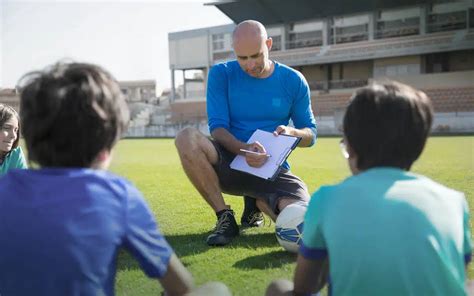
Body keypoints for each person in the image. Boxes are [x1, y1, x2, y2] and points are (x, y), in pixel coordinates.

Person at [0, 62, 230, 296]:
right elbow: (181, 287)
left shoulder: (4, 190)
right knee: (217, 290)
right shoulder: (118, 195)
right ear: (107, 143)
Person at [266, 81, 472, 295]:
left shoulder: (327, 199)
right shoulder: (454, 201)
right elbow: (458, 279)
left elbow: (305, 288)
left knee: (278, 288)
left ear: (351, 145)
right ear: (418, 146)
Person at [175, 20, 317, 246]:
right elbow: (218, 128)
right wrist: (244, 149)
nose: (250, 65)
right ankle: (225, 217)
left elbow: (311, 134)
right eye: (243, 58)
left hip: (271, 169)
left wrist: (293, 132)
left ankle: (258, 203)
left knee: (304, 221)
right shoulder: (221, 74)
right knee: (186, 138)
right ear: (235, 52)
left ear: (268, 44)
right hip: (228, 162)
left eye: (256, 56)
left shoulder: (293, 80)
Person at [0, 103, 27, 176]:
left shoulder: (16, 155)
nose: (14, 136)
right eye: (7, 128)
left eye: (16, 130)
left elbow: (23, 185)